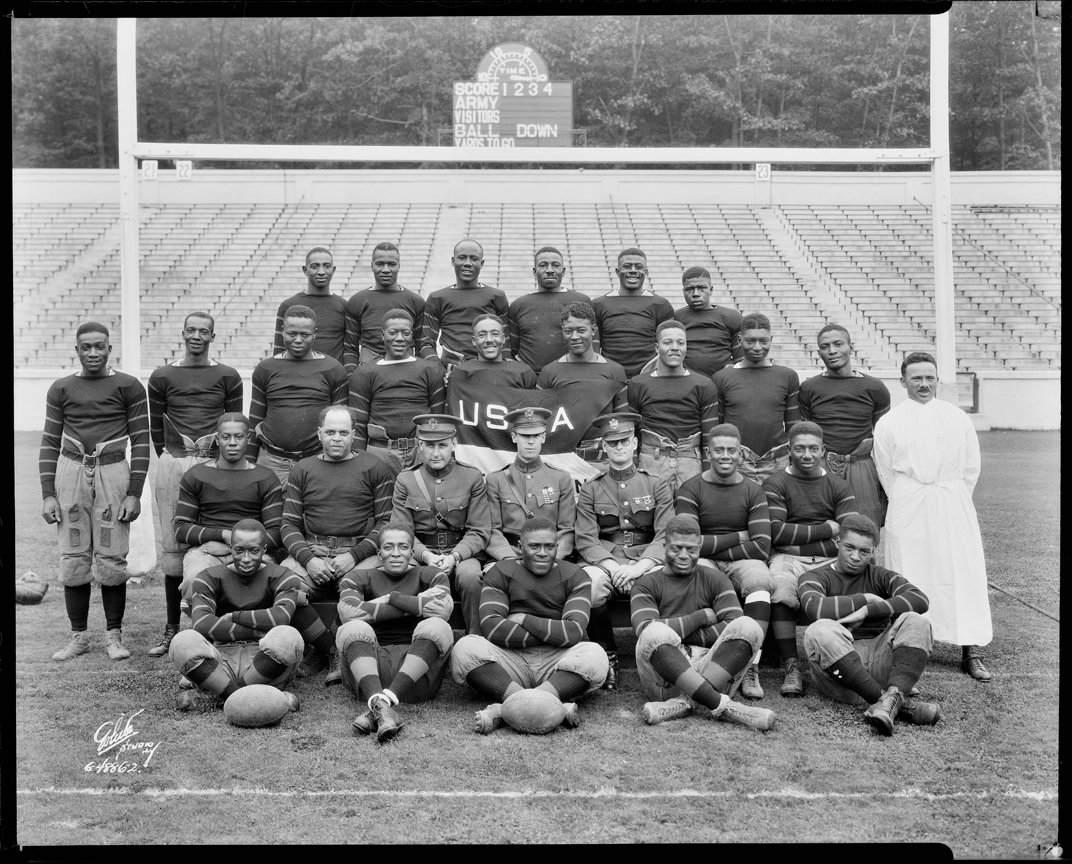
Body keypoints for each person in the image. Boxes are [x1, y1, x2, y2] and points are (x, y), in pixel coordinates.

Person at [874, 352, 993, 681]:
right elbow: (886, 471)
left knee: (961, 569)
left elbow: (970, 468)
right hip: (909, 502)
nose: (924, 384)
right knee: (909, 569)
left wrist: (950, 497)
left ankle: (971, 650)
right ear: (903, 382)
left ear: (937, 380)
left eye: (929, 378)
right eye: (916, 378)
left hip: (951, 501)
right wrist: (911, 495)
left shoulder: (957, 418)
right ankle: (908, 646)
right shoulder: (890, 422)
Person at [40, 321, 150, 662]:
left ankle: (113, 636)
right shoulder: (61, 388)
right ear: (76, 350)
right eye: (85, 347)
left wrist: (134, 492)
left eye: (99, 346)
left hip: (113, 471)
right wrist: (48, 493)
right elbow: (48, 442)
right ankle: (79, 637)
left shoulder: (129, 386)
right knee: (73, 557)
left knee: (111, 556)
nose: (92, 353)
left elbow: (142, 441)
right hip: (70, 471)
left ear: (108, 349)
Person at [450, 517, 609, 733]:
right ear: (520, 547)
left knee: (595, 655)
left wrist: (524, 618)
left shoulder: (576, 575)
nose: (542, 552)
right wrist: (554, 631)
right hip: (511, 658)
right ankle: (553, 705)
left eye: (549, 546)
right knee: (465, 648)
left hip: (557, 661)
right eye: (534, 546)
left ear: (557, 546)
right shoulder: (500, 572)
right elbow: (493, 628)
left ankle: (503, 710)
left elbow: (573, 633)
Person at [146, 311, 243, 658]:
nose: (197, 336)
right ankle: (173, 626)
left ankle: (213, 623)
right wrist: (179, 459)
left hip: (216, 460)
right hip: (176, 459)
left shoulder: (228, 375)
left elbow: (233, 423)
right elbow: (157, 431)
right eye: (191, 330)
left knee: (218, 537)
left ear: (213, 337)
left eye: (204, 331)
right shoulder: (162, 375)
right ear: (182, 333)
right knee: (174, 544)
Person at [279, 405, 396, 682]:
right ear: (319, 433)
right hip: (314, 550)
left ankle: (342, 650)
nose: (336, 438)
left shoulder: (373, 467)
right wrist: (309, 559)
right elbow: (289, 525)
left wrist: (354, 556)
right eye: (330, 432)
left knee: (361, 587)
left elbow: (385, 524)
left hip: (357, 551)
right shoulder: (303, 469)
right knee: (284, 586)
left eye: (344, 433)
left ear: (354, 434)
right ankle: (328, 650)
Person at [799, 513, 941, 735]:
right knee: (819, 630)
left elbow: (920, 600)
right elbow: (815, 608)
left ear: (873, 551)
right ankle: (892, 703)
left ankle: (890, 700)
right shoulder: (816, 576)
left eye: (864, 551)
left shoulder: (881, 576)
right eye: (849, 548)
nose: (856, 556)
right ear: (837, 543)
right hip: (838, 676)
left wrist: (870, 610)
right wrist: (865, 598)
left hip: (879, 664)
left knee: (917, 621)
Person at [630, 514, 776, 730]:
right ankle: (721, 705)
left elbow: (732, 625)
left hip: (715, 670)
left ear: (699, 547)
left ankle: (685, 703)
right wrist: (700, 618)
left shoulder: (715, 578)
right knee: (653, 632)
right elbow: (644, 629)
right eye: (676, 548)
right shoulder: (646, 584)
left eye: (691, 549)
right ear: (664, 546)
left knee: (749, 626)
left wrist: (678, 629)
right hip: (666, 679)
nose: (683, 555)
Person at [675, 423, 776, 699]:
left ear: (740, 454)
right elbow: (687, 544)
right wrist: (738, 536)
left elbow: (762, 547)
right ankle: (705, 659)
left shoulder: (753, 491)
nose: (725, 456)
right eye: (718, 450)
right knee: (695, 577)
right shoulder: (690, 489)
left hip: (740, 560)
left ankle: (751, 664)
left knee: (759, 579)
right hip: (704, 559)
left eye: (731, 450)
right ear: (708, 453)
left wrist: (707, 544)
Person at [759, 421, 858, 698]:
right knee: (779, 587)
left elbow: (849, 535)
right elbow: (776, 532)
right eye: (799, 449)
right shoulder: (776, 482)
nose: (807, 455)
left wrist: (803, 537)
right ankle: (792, 665)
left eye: (813, 449)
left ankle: (848, 658)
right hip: (788, 557)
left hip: (828, 559)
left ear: (823, 450)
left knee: (857, 582)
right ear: (789, 451)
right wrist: (828, 529)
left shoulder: (838, 485)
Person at [575, 412, 673, 690]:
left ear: (635, 444)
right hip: (608, 562)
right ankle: (607, 657)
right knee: (590, 586)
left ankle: (660, 658)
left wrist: (639, 566)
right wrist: (613, 566)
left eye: (624, 441)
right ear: (604, 446)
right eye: (612, 442)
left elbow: (665, 533)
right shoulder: (591, 488)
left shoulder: (655, 483)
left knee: (663, 584)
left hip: (646, 559)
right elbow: (585, 538)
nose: (619, 447)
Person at [335, 524, 455, 743]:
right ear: (379, 553)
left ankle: (382, 702)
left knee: (438, 626)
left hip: (417, 672)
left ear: (412, 552)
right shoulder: (358, 576)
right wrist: (411, 604)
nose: (396, 553)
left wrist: (390, 599)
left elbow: (442, 608)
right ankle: (382, 701)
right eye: (389, 547)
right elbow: (348, 611)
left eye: (403, 547)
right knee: (352, 628)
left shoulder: (431, 574)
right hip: (370, 669)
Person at [169, 518, 304, 712]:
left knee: (286, 635)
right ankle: (253, 697)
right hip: (221, 660)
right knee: (182, 641)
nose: (246, 558)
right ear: (230, 547)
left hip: (265, 658)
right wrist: (260, 631)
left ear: (264, 549)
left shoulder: (283, 575)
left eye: (254, 551)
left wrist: (234, 617)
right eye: (239, 550)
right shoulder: (208, 576)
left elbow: (280, 618)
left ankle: (218, 697)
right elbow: (202, 624)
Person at [388, 414, 492, 635]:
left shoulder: (471, 477)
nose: (436, 453)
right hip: (420, 553)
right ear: (419, 445)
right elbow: (401, 532)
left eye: (443, 445)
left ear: (454, 444)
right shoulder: (406, 480)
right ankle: (407, 640)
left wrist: (455, 556)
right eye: (429, 445)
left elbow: (479, 530)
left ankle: (476, 637)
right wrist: (426, 556)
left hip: (461, 553)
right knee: (401, 573)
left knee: (471, 577)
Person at [173, 413, 284, 601]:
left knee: (269, 580)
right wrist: (222, 535)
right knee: (195, 579)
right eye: (226, 437)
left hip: (253, 551)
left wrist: (236, 547)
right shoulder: (196, 475)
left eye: (238, 437)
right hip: (208, 551)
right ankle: (203, 625)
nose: (232, 442)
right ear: (217, 439)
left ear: (248, 439)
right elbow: (181, 529)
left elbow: (276, 532)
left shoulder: (265, 477)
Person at [798, 323, 891, 530]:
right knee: (819, 526)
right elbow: (806, 433)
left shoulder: (874, 387)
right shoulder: (808, 388)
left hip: (860, 464)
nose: (832, 351)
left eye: (838, 344)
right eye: (825, 346)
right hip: (823, 462)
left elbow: (885, 438)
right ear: (819, 352)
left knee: (864, 527)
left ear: (851, 346)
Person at [248, 304, 349, 488]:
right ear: (282, 331)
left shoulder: (333, 369)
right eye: (292, 333)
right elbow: (255, 419)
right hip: (272, 462)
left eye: (305, 335)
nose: (298, 340)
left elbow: (342, 422)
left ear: (315, 333)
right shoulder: (265, 369)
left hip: (317, 460)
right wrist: (248, 461)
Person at [349, 308, 446, 475]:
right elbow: (358, 423)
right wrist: (360, 462)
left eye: (405, 333)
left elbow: (438, 420)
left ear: (412, 335)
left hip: (421, 452)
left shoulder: (431, 370)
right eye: (393, 332)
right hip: (380, 454)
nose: (399, 339)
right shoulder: (364, 373)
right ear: (382, 335)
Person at [627, 320, 718, 493]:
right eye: (667, 342)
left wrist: (709, 478)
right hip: (651, 464)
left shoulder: (704, 385)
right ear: (656, 348)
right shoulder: (638, 384)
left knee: (688, 518)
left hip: (692, 466)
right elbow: (632, 433)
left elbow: (709, 439)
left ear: (686, 347)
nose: (675, 347)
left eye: (680, 343)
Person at [536, 302, 629, 470]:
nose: (574, 337)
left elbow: (623, 421)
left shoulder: (614, 371)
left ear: (593, 330)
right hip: (561, 461)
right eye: (568, 331)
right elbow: (540, 422)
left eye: (581, 330)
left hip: (602, 461)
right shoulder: (549, 372)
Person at [712, 312, 800, 485]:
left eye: (763, 341)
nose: (757, 347)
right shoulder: (722, 378)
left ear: (771, 339)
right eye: (750, 341)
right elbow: (718, 425)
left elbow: (793, 426)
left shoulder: (787, 376)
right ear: (739, 340)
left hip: (776, 460)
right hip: (736, 460)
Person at [485, 407, 577, 564]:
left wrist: (554, 557)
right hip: (510, 555)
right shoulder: (496, 479)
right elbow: (492, 530)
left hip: (548, 557)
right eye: (525, 436)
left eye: (536, 435)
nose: (530, 441)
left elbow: (567, 530)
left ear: (543, 437)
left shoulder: (560, 478)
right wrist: (509, 559)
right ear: (514, 437)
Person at [419, 239, 510, 371]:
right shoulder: (437, 298)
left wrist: (503, 369)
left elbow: (505, 341)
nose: (467, 263)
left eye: (474, 258)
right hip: (450, 370)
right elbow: (426, 343)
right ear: (453, 260)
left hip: (490, 369)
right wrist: (439, 370)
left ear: (482, 263)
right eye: (462, 258)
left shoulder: (497, 296)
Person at [507, 246, 592, 374]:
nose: (550, 270)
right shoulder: (518, 305)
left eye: (555, 265)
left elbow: (592, 344)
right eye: (543, 265)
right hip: (529, 379)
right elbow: (513, 348)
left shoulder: (582, 301)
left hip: (570, 376)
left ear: (563, 271)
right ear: (534, 271)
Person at [592, 247, 674, 379]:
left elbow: (668, 344)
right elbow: (594, 346)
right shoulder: (599, 304)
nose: (633, 271)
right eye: (627, 266)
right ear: (617, 272)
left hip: (649, 376)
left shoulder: (661, 305)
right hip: (610, 377)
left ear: (646, 272)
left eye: (638, 267)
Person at [343, 241, 426, 369]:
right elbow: (350, 347)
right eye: (380, 264)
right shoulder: (357, 301)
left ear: (399, 266)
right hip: (369, 368)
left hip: (406, 367)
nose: (386, 270)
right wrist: (351, 375)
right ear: (372, 266)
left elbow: (421, 346)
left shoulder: (416, 301)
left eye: (391, 264)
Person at [273, 246, 352, 370]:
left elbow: (349, 349)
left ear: (334, 270)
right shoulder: (288, 306)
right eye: (315, 266)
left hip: (332, 379)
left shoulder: (345, 306)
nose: (321, 272)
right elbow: (279, 350)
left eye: (326, 266)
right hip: (296, 376)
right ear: (305, 270)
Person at [671, 266, 743, 377]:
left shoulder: (731, 317)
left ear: (711, 290)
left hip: (721, 382)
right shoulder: (675, 317)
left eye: (701, 288)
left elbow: (741, 359)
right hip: (685, 382)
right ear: (683, 291)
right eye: (689, 289)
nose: (695, 293)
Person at [450, 313, 537, 389]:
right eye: (482, 335)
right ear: (474, 340)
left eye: (495, 334)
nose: (489, 340)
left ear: (503, 339)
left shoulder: (523, 372)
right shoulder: (461, 373)